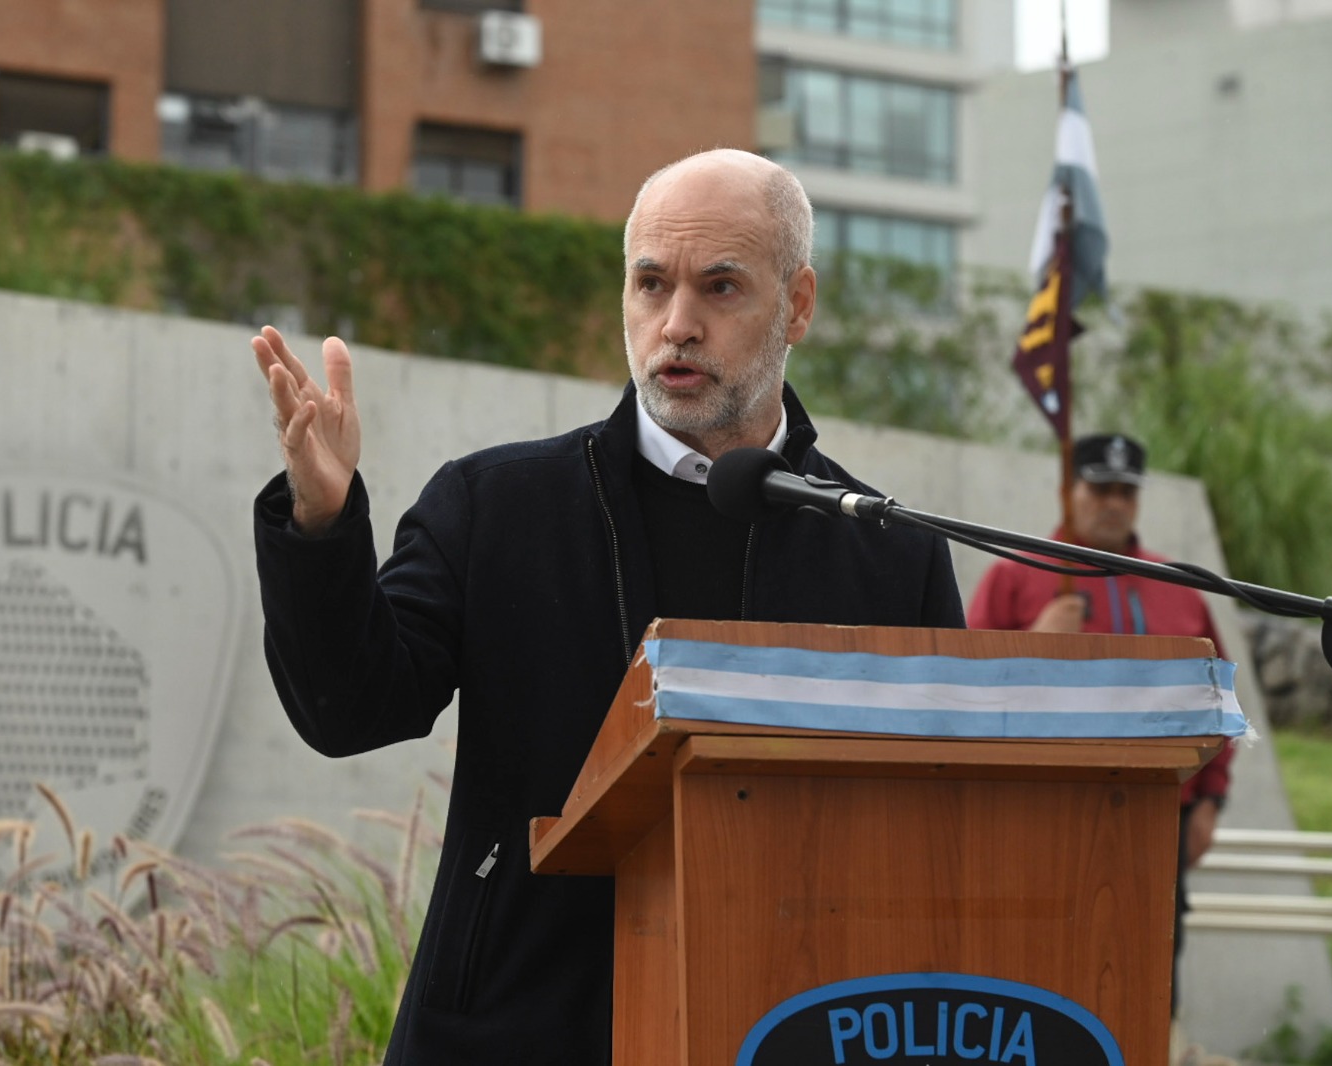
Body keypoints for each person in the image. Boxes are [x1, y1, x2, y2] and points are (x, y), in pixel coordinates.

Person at [251, 148, 965, 1064]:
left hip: (786, 1024)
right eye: (651, 284)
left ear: (797, 305)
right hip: (518, 1025)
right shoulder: (495, 505)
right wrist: (321, 523)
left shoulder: (887, 553)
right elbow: (348, 709)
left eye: (719, 288)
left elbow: (934, 837)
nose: (677, 325)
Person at [966, 431, 1234, 1017]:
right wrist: (1034, 641)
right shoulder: (1019, 573)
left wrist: (1211, 802)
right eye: (1100, 487)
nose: (1113, 502)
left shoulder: (1178, 585)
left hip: (1160, 810)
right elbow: (964, 687)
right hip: (1041, 810)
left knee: (1150, 973)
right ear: (1070, 491)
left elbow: (1216, 693)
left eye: (1126, 491)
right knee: (1040, 968)